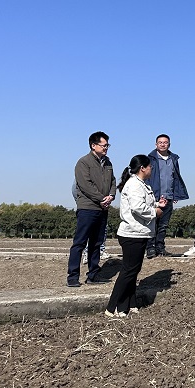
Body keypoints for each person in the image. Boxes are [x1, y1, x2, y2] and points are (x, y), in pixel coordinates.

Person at [106, 155, 166, 318]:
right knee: (128, 271)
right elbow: (137, 207)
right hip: (132, 233)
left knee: (133, 270)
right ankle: (114, 307)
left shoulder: (142, 184)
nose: (151, 169)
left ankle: (130, 303)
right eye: (150, 166)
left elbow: (144, 203)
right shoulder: (134, 184)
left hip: (139, 232)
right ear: (142, 168)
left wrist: (157, 204)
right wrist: (155, 212)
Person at [68, 131, 116, 288]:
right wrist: (101, 199)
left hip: (103, 209)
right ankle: (73, 277)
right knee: (80, 242)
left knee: (96, 243)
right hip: (88, 208)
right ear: (93, 145)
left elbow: (113, 181)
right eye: (104, 145)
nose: (106, 148)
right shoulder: (83, 162)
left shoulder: (108, 163)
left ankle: (93, 275)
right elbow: (85, 185)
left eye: (107, 145)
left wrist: (111, 195)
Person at [146, 134, 189, 259]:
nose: (163, 144)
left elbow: (175, 177)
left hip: (168, 196)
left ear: (169, 144)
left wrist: (175, 193)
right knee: (152, 223)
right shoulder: (150, 159)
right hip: (155, 197)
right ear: (156, 144)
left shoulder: (173, 159)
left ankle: (160, 247)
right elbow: (147, 177)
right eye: (160, 142)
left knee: (163, 225)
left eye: (165, 142)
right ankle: (150, 248)